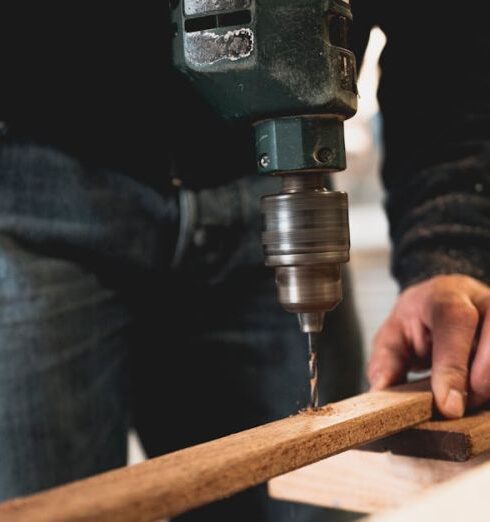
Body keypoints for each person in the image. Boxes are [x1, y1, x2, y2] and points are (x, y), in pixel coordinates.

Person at [0, 2, 488, 521]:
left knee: (321, 492)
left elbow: (449, 31)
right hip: (36, 184)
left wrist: (447, 249)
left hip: (252, 183)